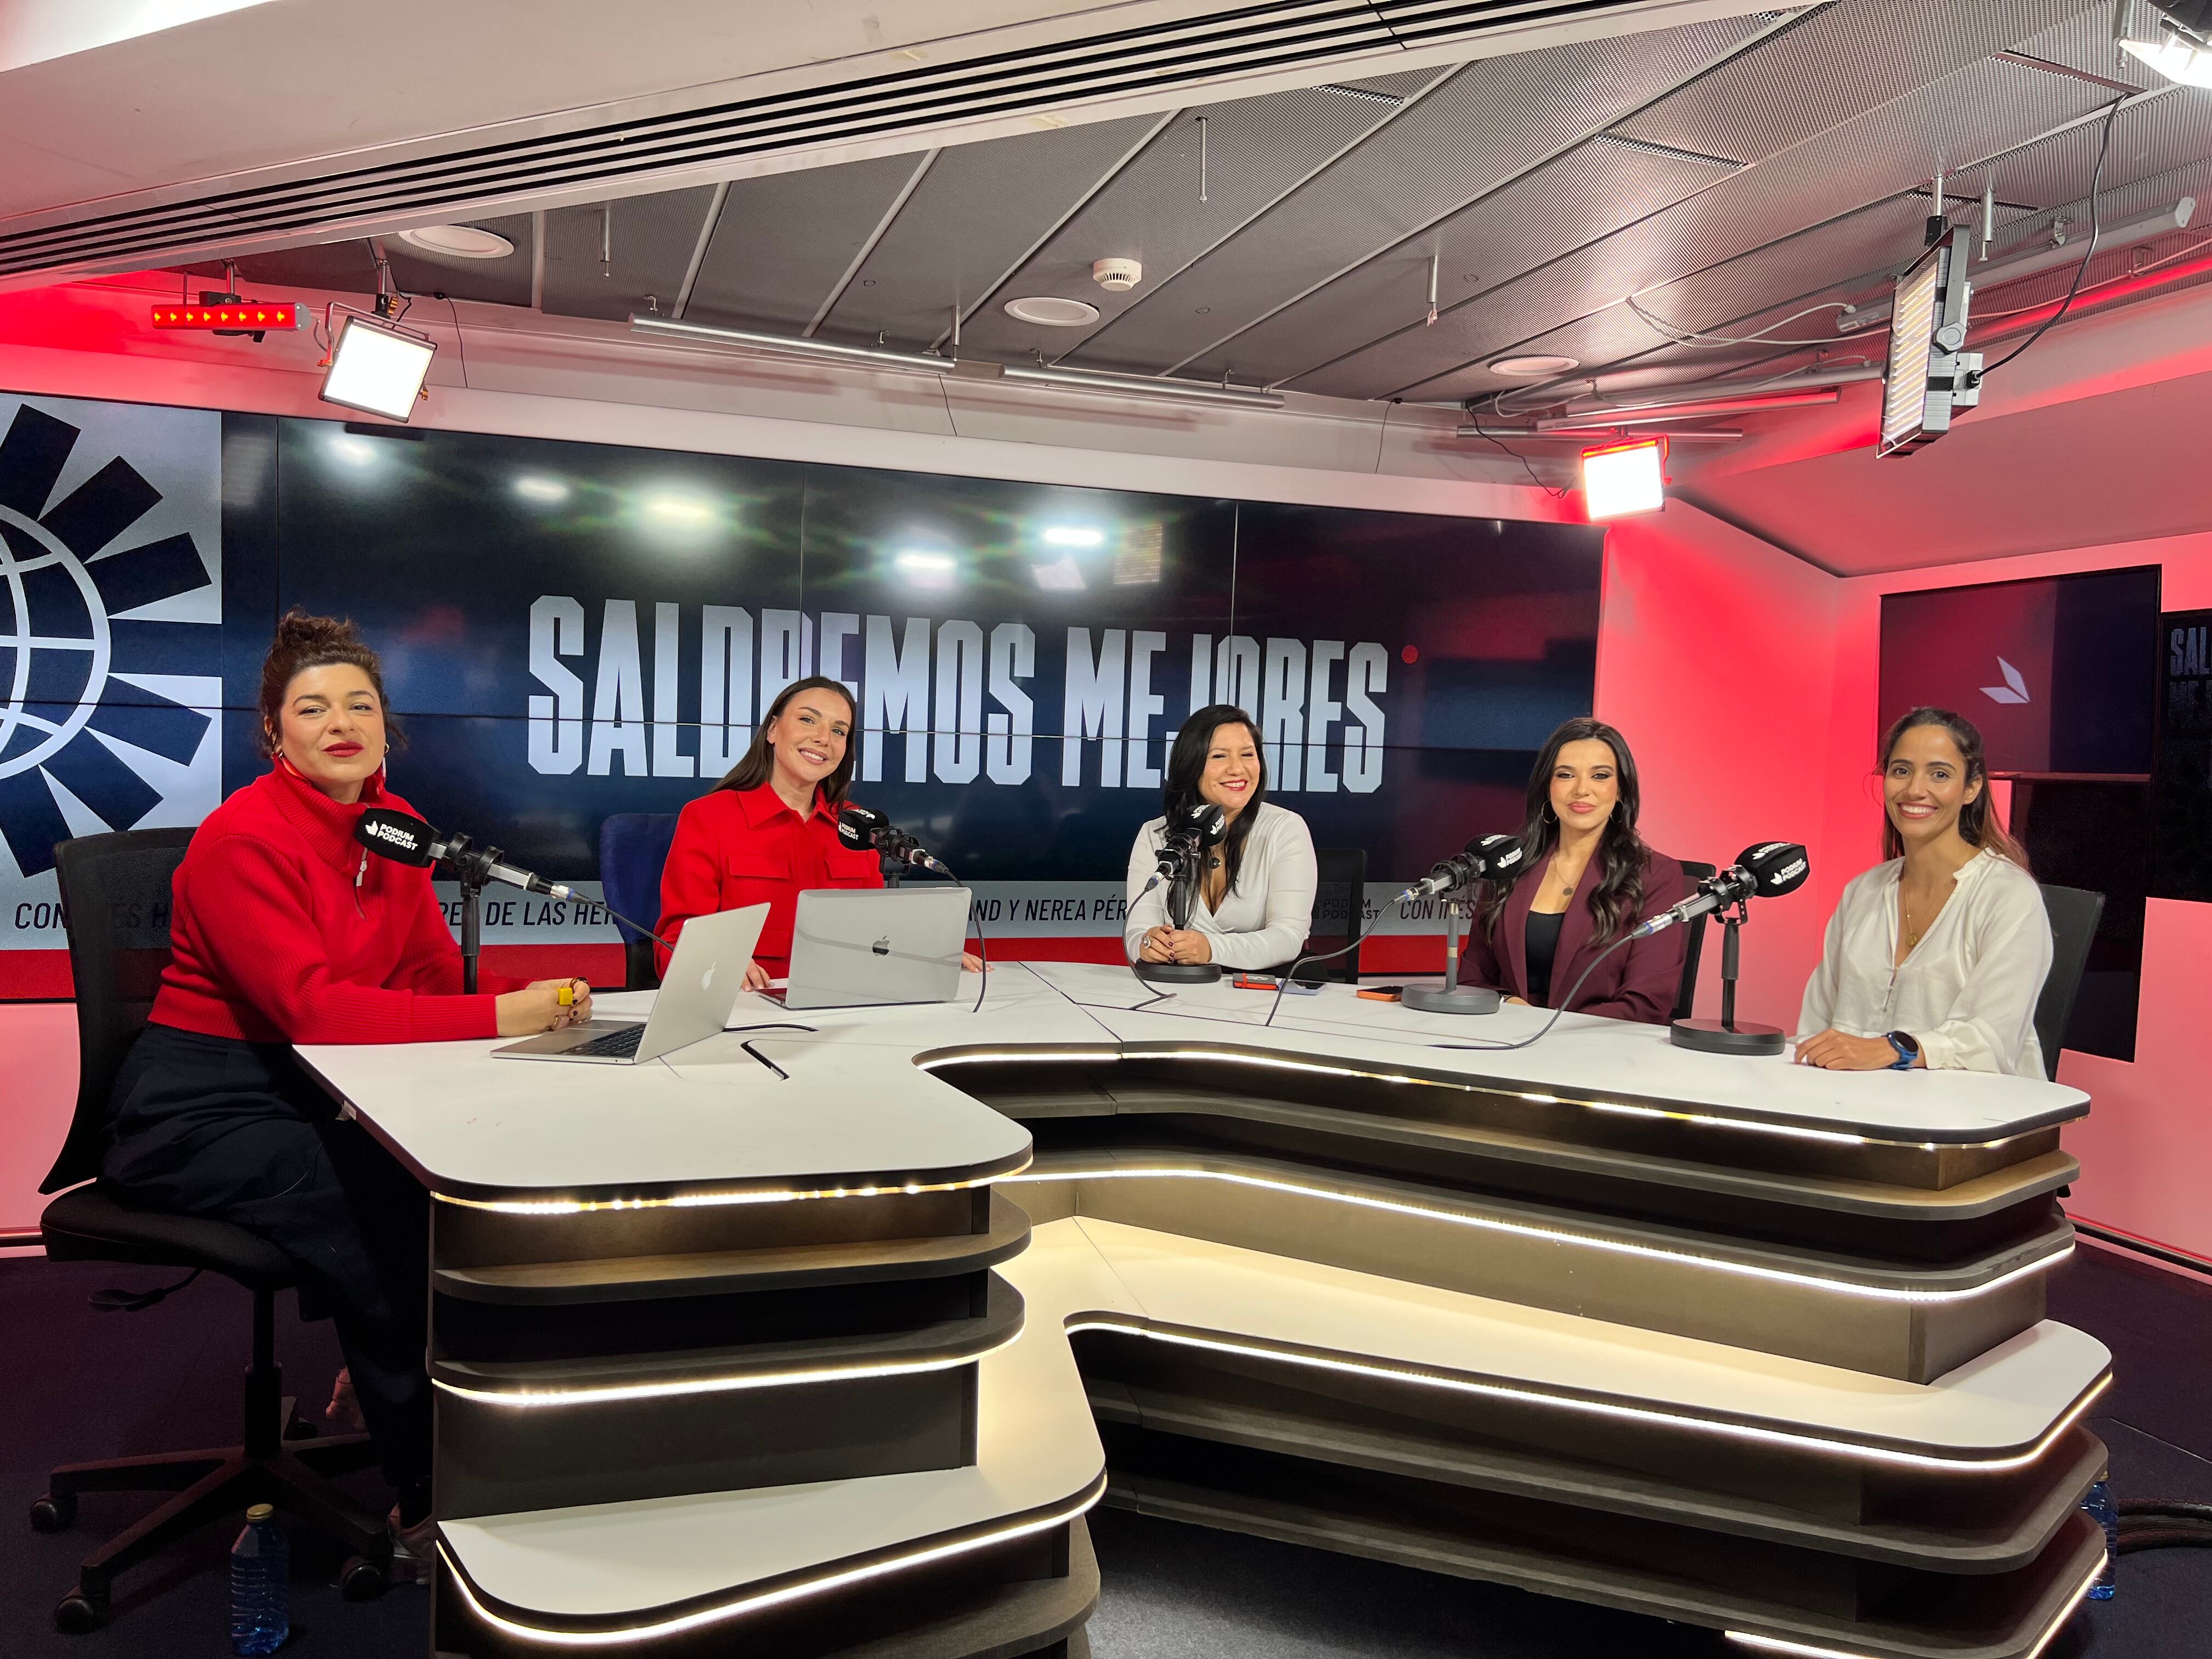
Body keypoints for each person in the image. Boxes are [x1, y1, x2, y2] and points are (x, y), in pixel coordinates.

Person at [103, 611, 595, 1568]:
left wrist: (549, 1003)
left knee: (454, 1185)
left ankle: (411, 1395)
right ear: (272, 731)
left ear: (386, 726)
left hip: (315, 1089)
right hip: (199, 1109)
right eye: (313, 707)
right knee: (382, 1211)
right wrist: (501, 1015)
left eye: (360, 705)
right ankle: (428, 1491)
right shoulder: (242, 838)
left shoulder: (393, 827)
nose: (341, 723)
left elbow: (427, 978)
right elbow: (313, 1009)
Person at [657, 677, 985, 988]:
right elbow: (673, 942)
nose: (823, 738)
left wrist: (924, 955)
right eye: (808, 720)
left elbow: (878, 937)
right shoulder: (710, 817)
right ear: (773, 730)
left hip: (849, 1000)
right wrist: (715, 961)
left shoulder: (861, 827)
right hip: (749, 1007)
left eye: (839, 731)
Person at [1797, 707, 2051, 1075]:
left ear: (1972, 788)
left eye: (1940, 774)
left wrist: (1892, 1050)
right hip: (1852, 1100)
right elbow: (1816, 1025)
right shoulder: (1862, 891)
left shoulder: (2009, 896)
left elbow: (1992, 1038)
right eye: (1902, 771)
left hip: (1971, 1106)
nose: (1915, 789)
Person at [1460, 717, 1689, 1023]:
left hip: (1599, 1045)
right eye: (1566, 775)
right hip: (1504, 1036)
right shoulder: (1508, 865)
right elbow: (1473, 980)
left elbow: (1646, 1004)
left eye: (1600, 776)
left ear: (1620, 790)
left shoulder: (1656, 876)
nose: (1582, 790)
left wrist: (1548, 1028)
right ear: (1547, 787)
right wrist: (1508, 1004)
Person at [1124, 705, 1317, 971]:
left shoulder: (1285, 829)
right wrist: (1147, 944)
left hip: (1264, 987)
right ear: (1191, 765)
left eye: (1248, 754)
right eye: (1219, 756)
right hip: (1184, 987)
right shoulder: (1155, 835)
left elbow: (1288, 937)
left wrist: (1210, 949)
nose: (1238, 769)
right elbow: (1137, 930)